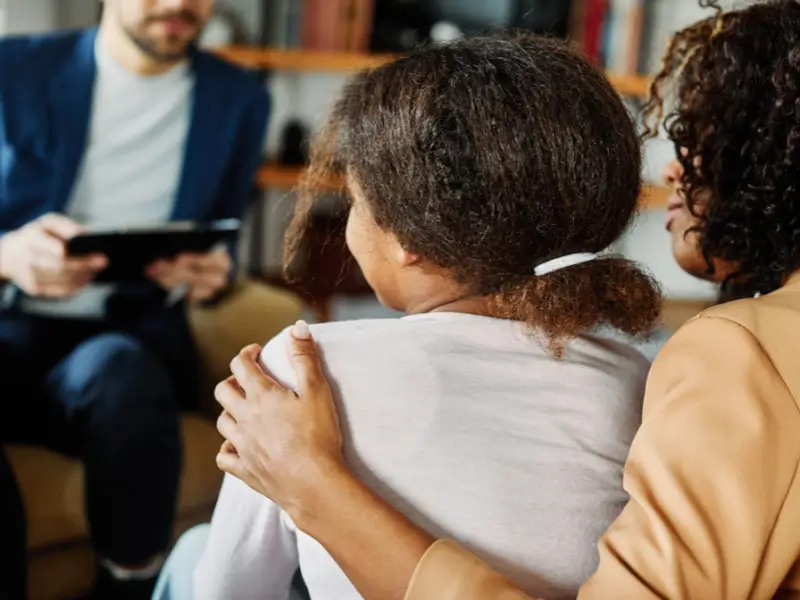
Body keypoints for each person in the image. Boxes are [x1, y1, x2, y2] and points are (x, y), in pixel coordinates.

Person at [182, 0, 800, 598]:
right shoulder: (638, 380)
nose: (674, 169)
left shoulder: (301, 373)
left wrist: (311, 482)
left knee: (190, 556)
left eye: (356, 203)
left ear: (407, 240)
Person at [0, 0, 270, 598]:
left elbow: (222, 237)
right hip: (11, 322)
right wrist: (8, 255)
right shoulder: (10, 70)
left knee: (121, 372)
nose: (179, 5)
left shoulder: (239, 99)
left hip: (128, 339)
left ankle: (125, 587)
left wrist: (212, 277)